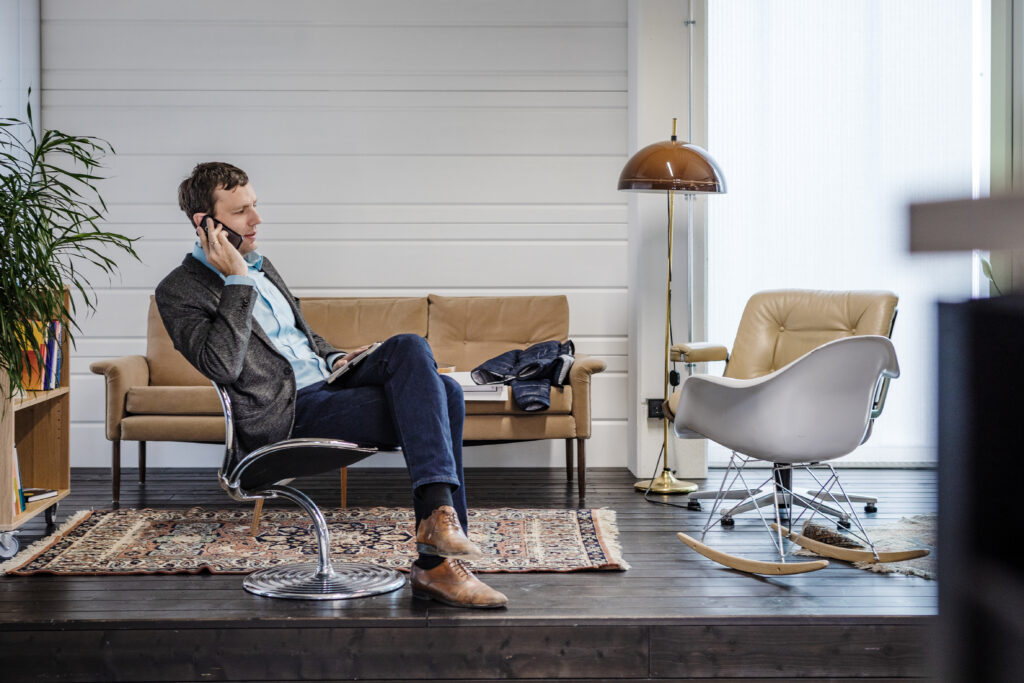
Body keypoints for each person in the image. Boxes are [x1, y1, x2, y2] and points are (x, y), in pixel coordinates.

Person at [155, 161, 507, 609]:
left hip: (329, 383)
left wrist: (334, 356)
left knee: (410, 347)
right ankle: (437, 562)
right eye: (242, 211)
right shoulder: (180, 290)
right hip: (287, 413)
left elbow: (299, 337)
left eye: (256, 206)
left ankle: (438, 533)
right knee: (448, 395)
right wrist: (238, 280)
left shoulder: (265, 265)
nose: (257, 220)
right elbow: (222, 364)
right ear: (205, 223)